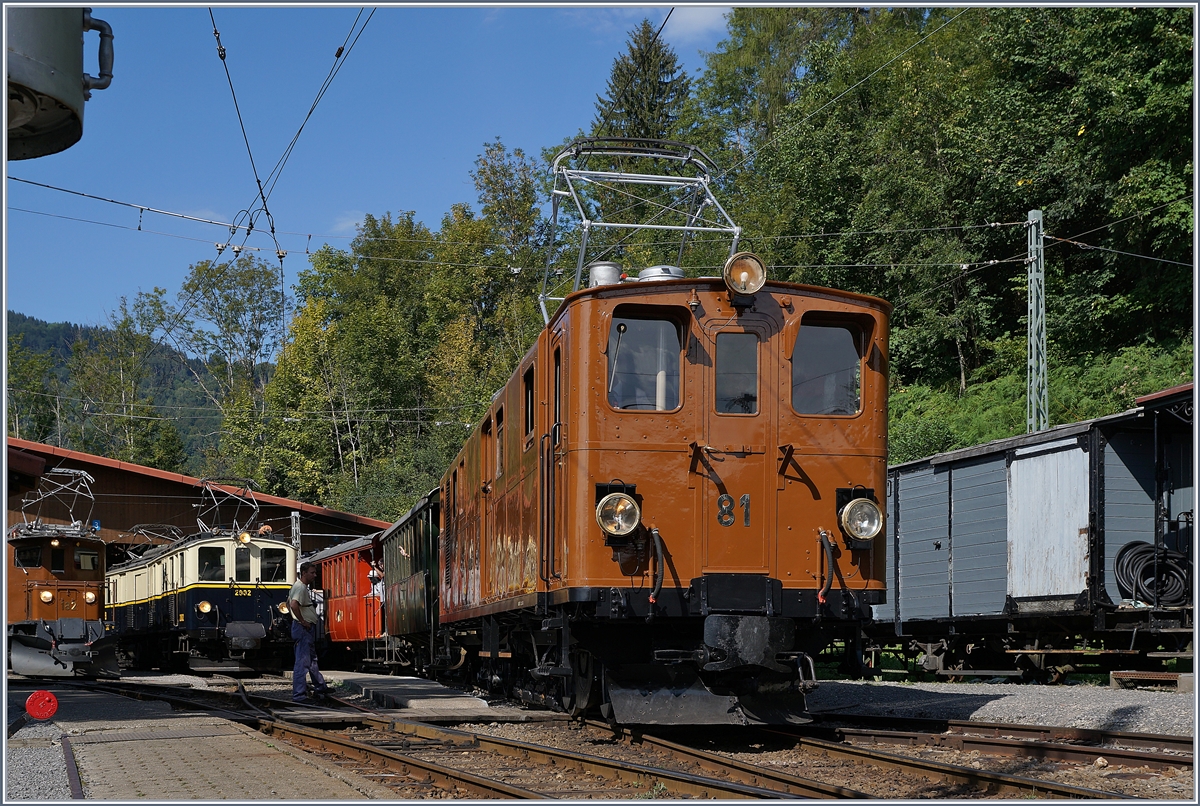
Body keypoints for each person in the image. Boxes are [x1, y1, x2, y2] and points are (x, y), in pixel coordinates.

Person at [288, 561, 329, 703]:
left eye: (315, 572)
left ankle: (320, 686)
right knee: (302, 662)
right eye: (312, 572)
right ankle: (299, 695)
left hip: (304, 628)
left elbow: (290, 604)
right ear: (303, 573)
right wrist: (303, 621)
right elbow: (293, 604)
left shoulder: (300, 587)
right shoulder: (300, 588)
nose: (314, 575)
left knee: (312, 661)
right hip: (303, 628)